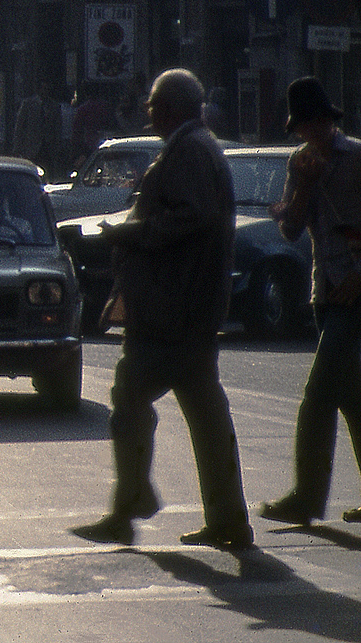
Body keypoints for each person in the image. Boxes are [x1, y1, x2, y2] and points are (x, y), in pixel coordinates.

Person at [70, 69, 253, 550]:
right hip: (183, 306)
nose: (148, 112)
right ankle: (216, 515)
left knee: (132, 399)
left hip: (176, 308)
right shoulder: (195, 147)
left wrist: (129, 233)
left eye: (153, 105)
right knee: (195, 410)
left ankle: (131, 504)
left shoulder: (191, 150)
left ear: (171, 108)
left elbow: (191, 216)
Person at [260, 77, 361, 526]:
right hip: (325, 291)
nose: (303, 135)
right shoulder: (298, 164)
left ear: (325, 121)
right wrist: (302, 185)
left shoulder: (356, 158)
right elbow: (290, 230)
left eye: (307, 125)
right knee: (353, 398)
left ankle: (306, 497)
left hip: (355, 292)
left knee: (318, 394)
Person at [12, 81, 54, 173]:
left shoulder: (52, 105)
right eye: (44, 89)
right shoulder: (28, 103)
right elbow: (20, 126)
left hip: (47, 146)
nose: (46, 92)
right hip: (31, 147)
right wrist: (17, 148)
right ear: (39, 90)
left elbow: (56, 126)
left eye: (47, 89)